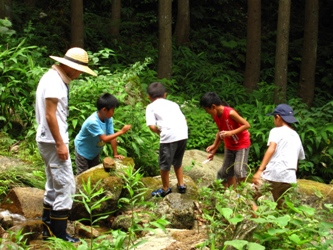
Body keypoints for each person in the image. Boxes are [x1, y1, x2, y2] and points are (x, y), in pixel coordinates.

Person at [35, 47, 97, 242]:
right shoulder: (54, 82)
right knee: (66, 185)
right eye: (79, 71)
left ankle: (47, 229)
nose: (79, 75)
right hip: (54, 141)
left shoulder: (52, 77)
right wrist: (61, 144)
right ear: (71, 67)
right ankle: (59, 235)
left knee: (53, 184)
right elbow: (50, 115)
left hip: (47, 139)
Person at [252, 104, 305, 209]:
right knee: (282, 207)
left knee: (249, 195)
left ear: (278, 117)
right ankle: (280, 225)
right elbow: (298, 158)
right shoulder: (296, 135)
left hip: (273, 174)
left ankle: (257, 218)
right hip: (290, 178)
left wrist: (260, 170)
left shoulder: (276, 131)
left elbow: (271, 148)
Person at [200, 92, 251, 188]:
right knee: (226, 171)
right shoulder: (215, 116)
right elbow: (220, 132)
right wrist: (214, 149)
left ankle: (243, 193)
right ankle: (233, 194)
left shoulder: (230, 113)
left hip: (241, 144)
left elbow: (247, 125)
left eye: (207, 110)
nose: (207, 112)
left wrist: (231, 133)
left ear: (213, 106)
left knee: (239, 170)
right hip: (229, 146)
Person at [145, 82, 188, 197]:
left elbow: (152, 126)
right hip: (183, 134)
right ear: (165, 95)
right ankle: (181, 185)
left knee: (164, 164)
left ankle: (165, 188)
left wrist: (159, 132)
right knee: (178, 161)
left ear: (149, 96)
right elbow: (184, 120)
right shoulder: (173, 104)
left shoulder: (151, 107)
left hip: (169, 137)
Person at [74, 93, 131, 175]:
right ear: (104, 110)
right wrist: (121, 131)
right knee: (83, 175)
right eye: (112, 110)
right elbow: (104, 138)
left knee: (94, 172)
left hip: (94, 151)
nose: (113, 112)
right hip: (83, 151)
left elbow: (112, 136)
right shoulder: (92, 122)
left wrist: (115, 154)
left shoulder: (108, 118)